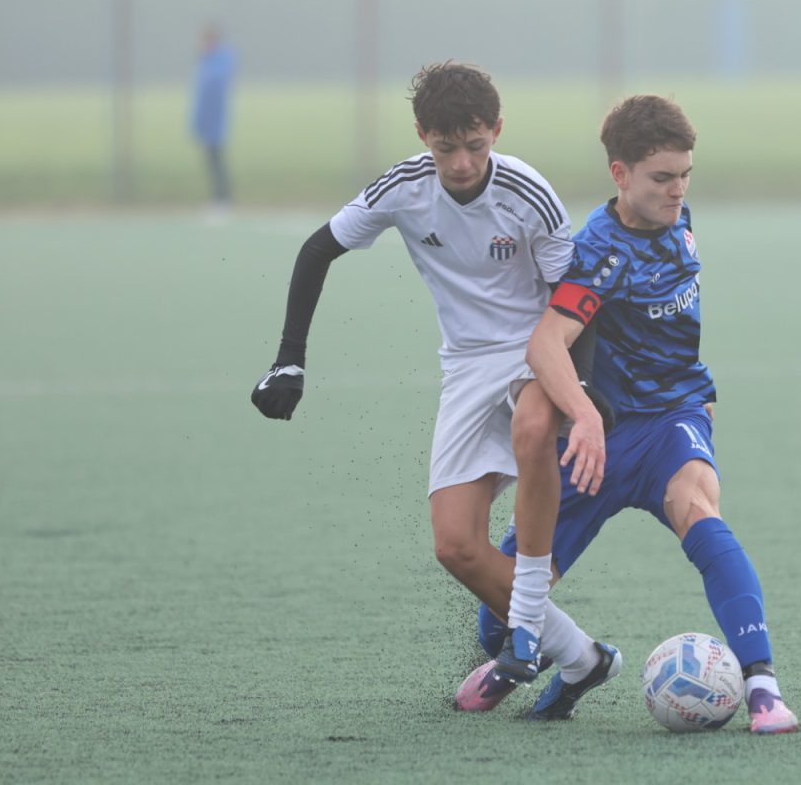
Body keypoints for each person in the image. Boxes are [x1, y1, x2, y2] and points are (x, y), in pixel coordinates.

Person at [250, 61, 604, 707]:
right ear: (422, 136)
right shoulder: (404, 188)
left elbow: (573, 301)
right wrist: (289, 359)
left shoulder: (529, 193)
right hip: (465, 366)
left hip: (539, 349)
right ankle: (582, 657)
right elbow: (317, 250)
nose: (462, 163)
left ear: (497, 130)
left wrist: (578, 394)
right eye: (445, 148)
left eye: (475, 145)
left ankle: (523, 634)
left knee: (532, 429)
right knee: (456, 547)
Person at [459, 95, 800, 734]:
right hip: (598, 442)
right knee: (497, 616)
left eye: (686, 175)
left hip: (671, 422)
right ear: (620, 174)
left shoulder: (676, 216)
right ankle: (578, 661)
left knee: (699, 510)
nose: (678, 190)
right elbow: (545, 345)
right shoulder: (599, 252)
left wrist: (697, 397)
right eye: (662, 177)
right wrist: (585, 417)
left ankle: (763, 687)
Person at [191, 25, 236, 217]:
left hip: (215, 124)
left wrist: (209, 122)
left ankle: (222, 200)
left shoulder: (219, 63)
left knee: (217, 162)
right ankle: (218, 199)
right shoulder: (206, 62)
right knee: (212, 162)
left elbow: (213, 93)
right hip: (206, 124)